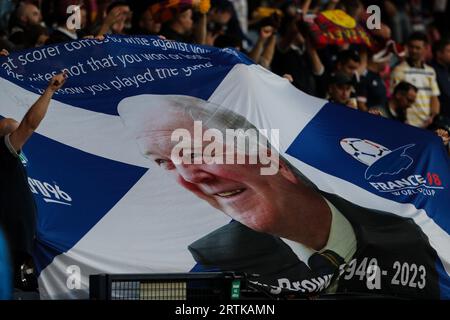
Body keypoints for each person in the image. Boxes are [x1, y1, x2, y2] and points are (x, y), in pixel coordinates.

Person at [118, 94, 443, 298]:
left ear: (265, 151)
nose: (189, 178)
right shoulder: (211, 260)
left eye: (197, 151)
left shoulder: (404, 234)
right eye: (164, 162)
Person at [0, 71, 67, 291]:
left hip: (21, 242)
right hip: (11, 245)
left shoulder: (16, 160)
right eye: (8, 127)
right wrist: (49, 90)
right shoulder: (4, 153)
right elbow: (29, 124)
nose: (11, 123)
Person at [391, 32, 441, 128]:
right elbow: (395, 99)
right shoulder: (399, 70)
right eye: (411, 47)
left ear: (426, 49)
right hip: (408, 125)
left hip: (428, 125)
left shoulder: (431, 71)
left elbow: (434, 97)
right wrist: (404, 121)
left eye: (418, 48)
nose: (414, 50)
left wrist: (432, 117)